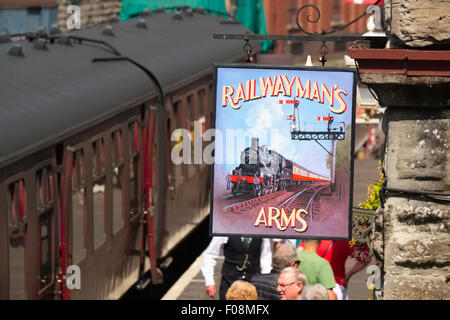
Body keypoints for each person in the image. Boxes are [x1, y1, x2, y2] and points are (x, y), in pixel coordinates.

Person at [201, 236, 272, 300]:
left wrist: (265, 280)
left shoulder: (261, 229)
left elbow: (266, 256)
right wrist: (209, 281)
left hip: (254, 283)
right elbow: (210, 255)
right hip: (229, 283)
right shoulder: (225, 228)